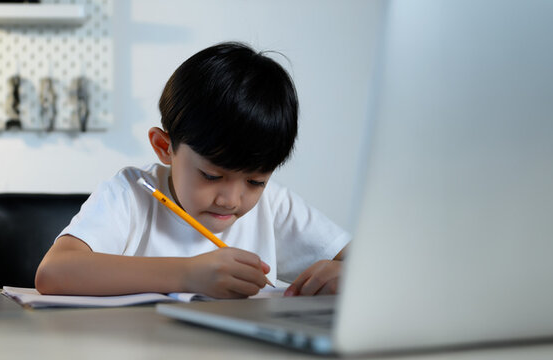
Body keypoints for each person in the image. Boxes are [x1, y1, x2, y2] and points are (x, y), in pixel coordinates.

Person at [35, 42, 350, 299]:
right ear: (164, 147)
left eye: (256, 181)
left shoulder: (276, 207)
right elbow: (54, 272)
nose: (231, 199)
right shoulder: (130, 193)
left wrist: (349, 276)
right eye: (212, 176)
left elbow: (372, 267)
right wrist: (187, 274)